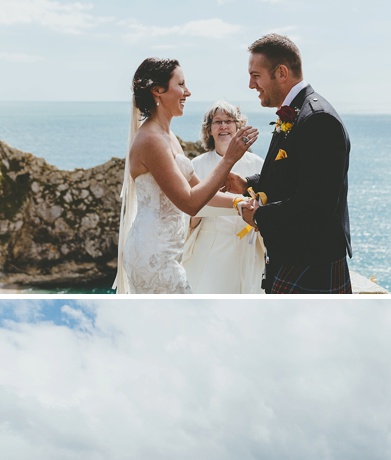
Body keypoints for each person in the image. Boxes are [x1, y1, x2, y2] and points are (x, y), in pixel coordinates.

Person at [116, 58, 259, 293]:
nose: (188, 92)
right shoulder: (151, 140)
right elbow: (191, 203)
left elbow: (203, 192)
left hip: (168, 251)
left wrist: (239, 201)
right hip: (154, 256)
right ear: (157, 91)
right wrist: (230, 159)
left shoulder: (168, 136)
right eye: (181, 84)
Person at [226, 33, 352, 294]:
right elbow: (292, 175)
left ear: (281, 72)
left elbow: (317, 205)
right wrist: (247, 185)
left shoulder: (318, 120)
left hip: (312, 262)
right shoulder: (296, 112)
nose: (251, 85)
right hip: (295, 255)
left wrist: (259, 216)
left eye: (256, 75)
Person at [181, 101, 265, 293]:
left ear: (238, 127)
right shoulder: (197, 165)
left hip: (249, 250)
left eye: (228, 121)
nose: (223, 126)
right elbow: (186, 215)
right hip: (211, 251)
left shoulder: (258, 164)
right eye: (217, 122)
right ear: (209, 130)